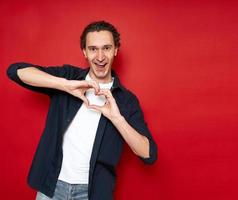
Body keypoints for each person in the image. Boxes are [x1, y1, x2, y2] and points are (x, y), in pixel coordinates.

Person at [7, 20, 157, 200]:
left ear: (115, 50)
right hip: (52, 187)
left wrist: (117, 119)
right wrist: (65, 85)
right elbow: (16, 71)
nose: (100, 56)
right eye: (93, 49)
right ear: (84, 52)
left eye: (106, 48)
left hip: (93, 193)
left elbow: (148, 154)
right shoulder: (69, 77)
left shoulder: (126, 100)